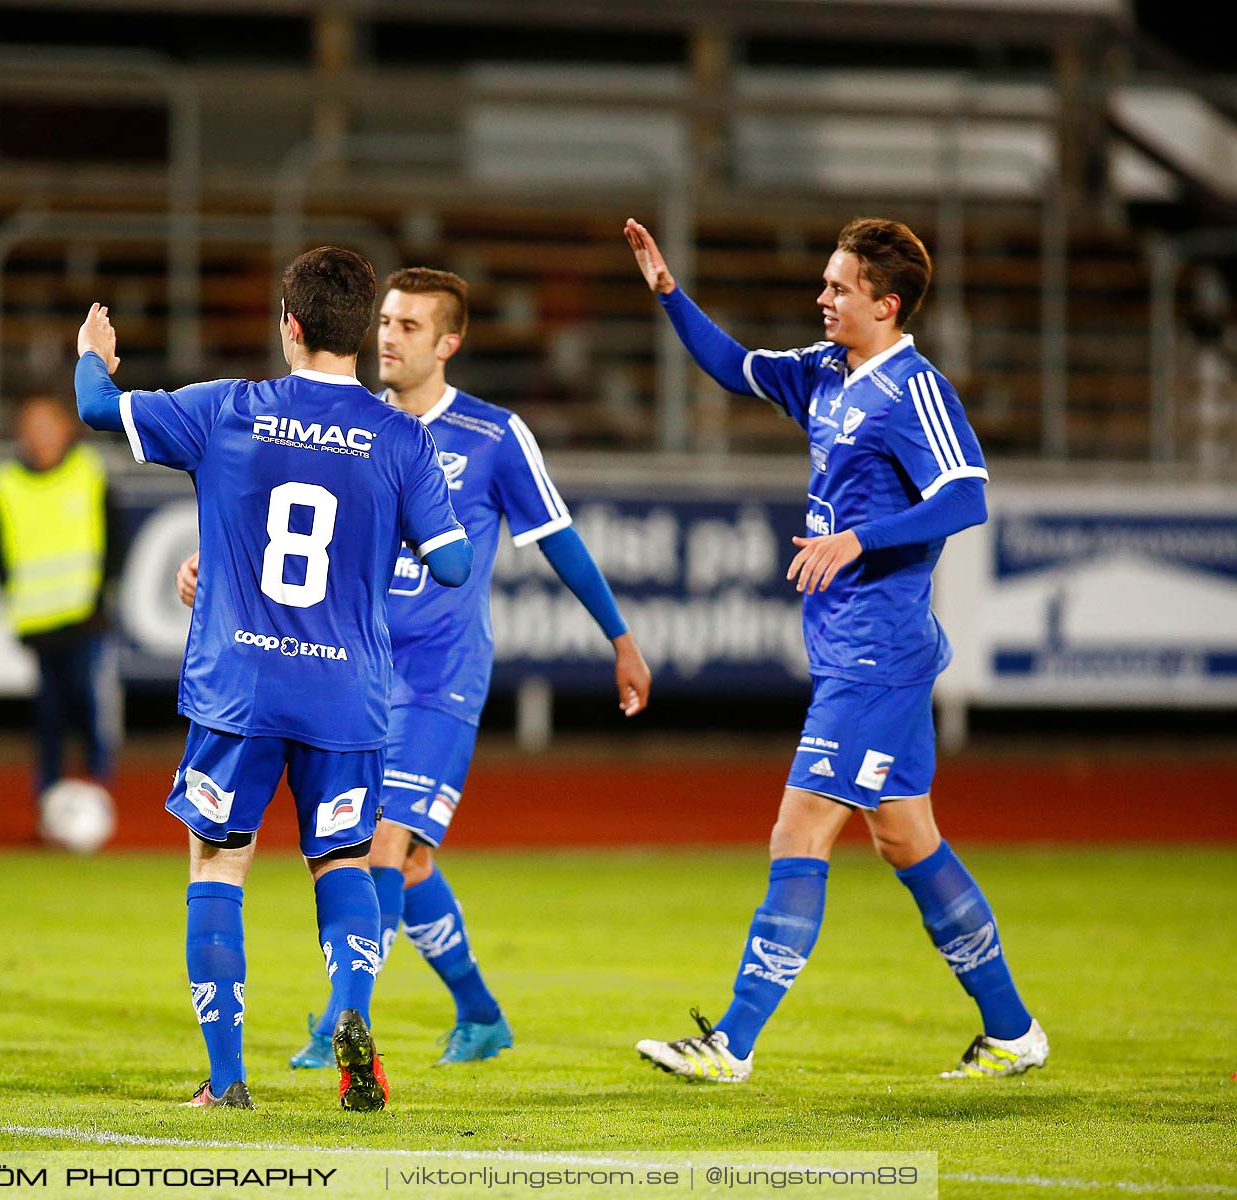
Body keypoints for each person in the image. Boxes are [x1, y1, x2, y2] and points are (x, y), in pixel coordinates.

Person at [175, 267, 652, 1068]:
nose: (389, 337)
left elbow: (559, 538)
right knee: (413, 857)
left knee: (385, 845)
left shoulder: (494, 437)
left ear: (448, 343)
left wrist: (620, 637)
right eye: (384, 322)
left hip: (437, 676)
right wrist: (212, 569)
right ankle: (481, 1012)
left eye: (408, 326)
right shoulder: (352, 428)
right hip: (353, 675)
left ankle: (339, 1028)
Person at [622, 216, 1045, 1081]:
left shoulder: (914, 389)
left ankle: (731, 1043)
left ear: (885, 305)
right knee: (906, 839)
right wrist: (670, 293)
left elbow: (966, 497)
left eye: (840, 287)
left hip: (877, 651)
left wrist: (860, 540)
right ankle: (1012, 1030)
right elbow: (735, 366)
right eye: (825, 282)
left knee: (800, 828)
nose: (822, 297)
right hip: (854, 643)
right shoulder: (825, 372)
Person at [73, 246, 472, 1111]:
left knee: (218, 866)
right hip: (346, 693)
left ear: (289, 324)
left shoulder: (227, 408)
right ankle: (353, 1025)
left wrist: (90, 355)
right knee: (343, 865)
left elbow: (96, 409)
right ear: (362, 332)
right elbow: (453, 562)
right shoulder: (403, 438)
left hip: (240, 688)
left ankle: (226, 1079)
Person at [0, 395, 123, 823]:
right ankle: (49, 799)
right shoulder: (7, 483)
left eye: (48, 425)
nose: (41, 436)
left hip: (87, 617)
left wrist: (103, 593)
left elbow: (116, 537)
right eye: (32, 427)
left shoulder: (88, 471)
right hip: (39, 622)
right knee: (49, 713)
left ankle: (99, 790)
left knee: (90, 703)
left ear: (67, 428)